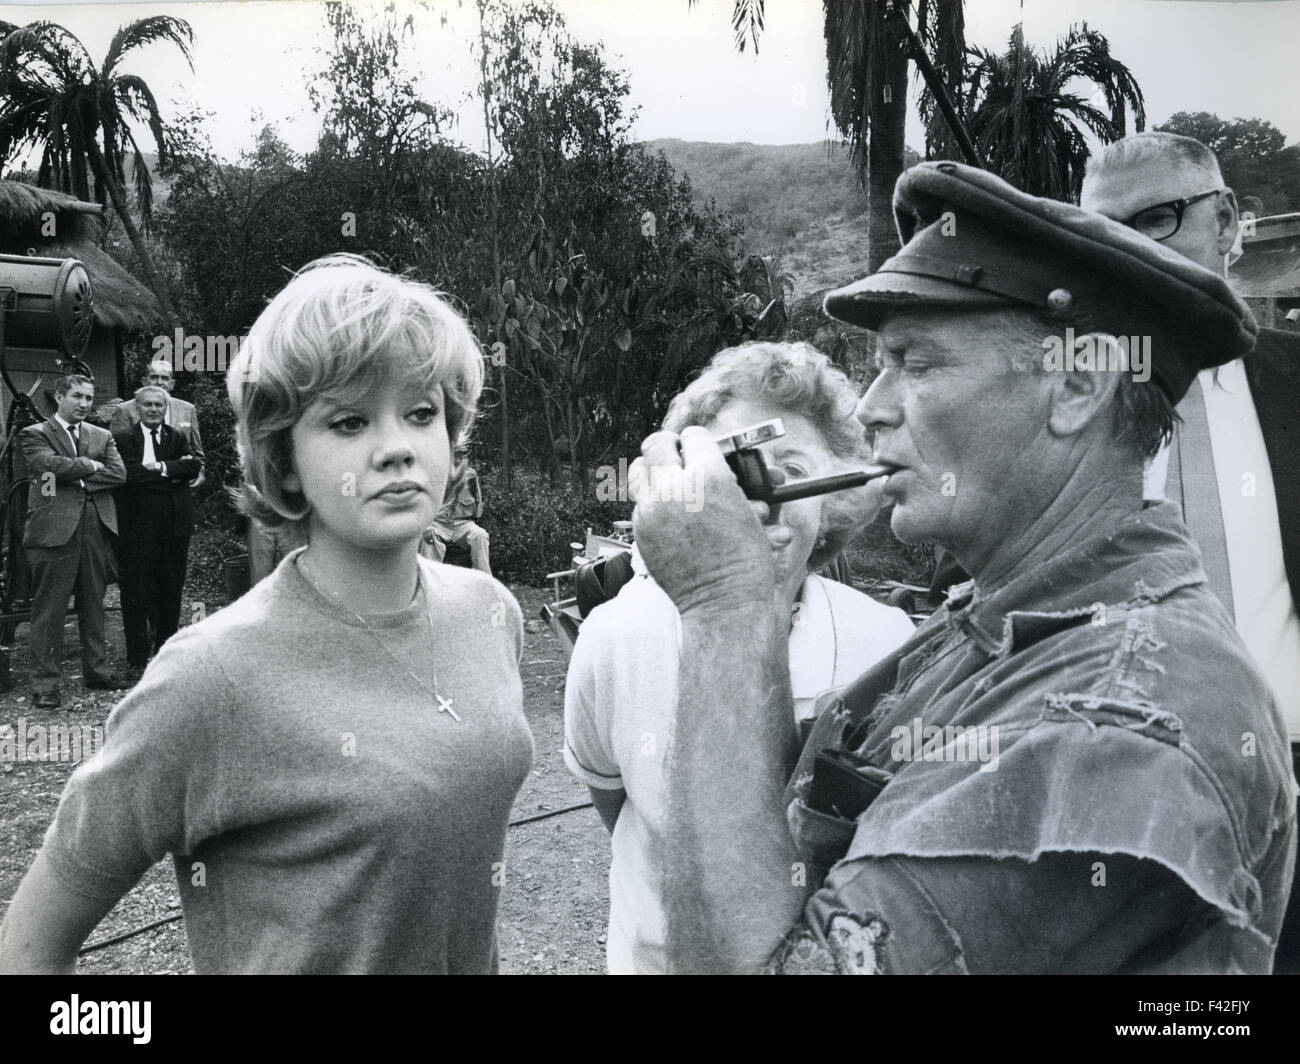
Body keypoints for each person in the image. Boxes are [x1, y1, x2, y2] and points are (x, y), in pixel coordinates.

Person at [632, 161, 1296, 974]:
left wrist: (723, 605)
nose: (873, 406)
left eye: (917, 363)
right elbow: (774, 845)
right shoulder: (1009, 620)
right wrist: (760, 597)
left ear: (1077, 383)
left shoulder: (1112, 718)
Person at [0, 254, 534, 974]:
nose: (397, 448)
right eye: (348, 421)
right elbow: (30, 947)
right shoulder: (212, 677)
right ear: (284, 462)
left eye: (420, 412)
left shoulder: (491, 614)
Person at [564, 342, 915, 974]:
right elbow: (619, 805)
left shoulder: (887, 643)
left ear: (833, 493)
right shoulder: (615, 637)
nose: (762, 496)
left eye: (791, 467)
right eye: (732, 471)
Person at [1080, 131, 1300, 972]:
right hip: (1123, 808)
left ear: (1230, 219)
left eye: (1162, 217)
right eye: (1108, 231)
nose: (1135, 249)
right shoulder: (1063, 412)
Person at [19, 374, 129, 707]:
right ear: (59, 397)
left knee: (94, 603)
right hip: (54, 531)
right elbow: (46, 468)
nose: (84, 404)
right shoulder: (34, 434)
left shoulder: (102, 434)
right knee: (49, 609)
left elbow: (118, 474)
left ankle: (97, 671)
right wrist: (87, 465)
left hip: (95, 527)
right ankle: (45, 684)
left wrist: (77, 478)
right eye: (77, 396)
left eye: (89, 398)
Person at [113, 384, 203, 676]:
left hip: (174, 526)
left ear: (166, 409)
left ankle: (166, 655)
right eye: (148, 405)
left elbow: (192, 467)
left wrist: (158, 467)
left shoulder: (176, 436)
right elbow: (128, 476)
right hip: (137, 528)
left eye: (159, 405)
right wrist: (170, 472)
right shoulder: (123, 439)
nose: (153, 410)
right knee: (136, 592)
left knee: (171, 589)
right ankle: (137, 660)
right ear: (137, 408)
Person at [109, 358, 205, 489]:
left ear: (172, 384)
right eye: (154, 377)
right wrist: (176, 467)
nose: (159, 382)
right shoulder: (124, 410)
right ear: (144, 381)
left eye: (165, 378)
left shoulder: (187, 409)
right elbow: (115, 454)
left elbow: (197, 452)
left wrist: (200, 471)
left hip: (178, 488)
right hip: (139, 490)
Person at [420, 444, 491, 573]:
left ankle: (485, 583)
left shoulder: (470, 475)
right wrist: (426, 525)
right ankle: (428, 582)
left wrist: (475, 515)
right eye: (455, 455)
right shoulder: (435, 473)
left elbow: (478, 501)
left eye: (461, 455)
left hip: (462, 524)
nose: (458, 460)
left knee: (479, 535)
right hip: (438, 524)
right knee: (429, 539)